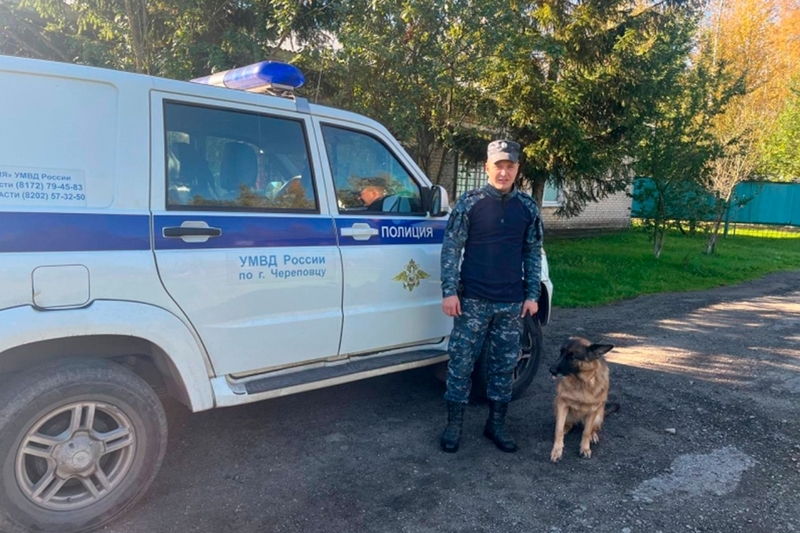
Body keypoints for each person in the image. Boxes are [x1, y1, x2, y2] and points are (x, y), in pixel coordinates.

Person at [439, 139, 543, 453]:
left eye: (510, 166)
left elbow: (532, 252)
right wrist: (449, 291)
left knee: (503, 367)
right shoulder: (470, 203)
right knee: (461, 364)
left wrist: (532, 295)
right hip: (472, 301)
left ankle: (496, 424)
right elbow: (451, 248)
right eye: (498, 166)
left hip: (511, 304)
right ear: (487, 167)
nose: (504, 172)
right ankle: (453, 425)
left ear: (517, 169)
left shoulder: (527, 207)